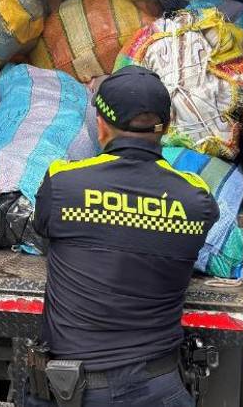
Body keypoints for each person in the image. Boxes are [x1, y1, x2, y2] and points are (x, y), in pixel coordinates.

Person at [26, 66, 219, 407]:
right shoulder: (196, 199)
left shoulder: (63, 183)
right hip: (160, 389)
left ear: (100, 125)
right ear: (167, 127)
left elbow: (42, 229)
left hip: (73, 392)